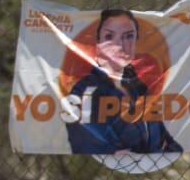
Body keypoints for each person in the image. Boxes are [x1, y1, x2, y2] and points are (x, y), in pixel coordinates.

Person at [65, 9, 183, 156]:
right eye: (109, 36)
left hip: (149, 168)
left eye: (129, 36)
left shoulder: (139, 87)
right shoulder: (86, 89)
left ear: (136, 42)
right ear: (97, 43)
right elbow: (83, 138)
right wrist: (113, 153)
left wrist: (172, 153)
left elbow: (163, 136)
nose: (120, 44)